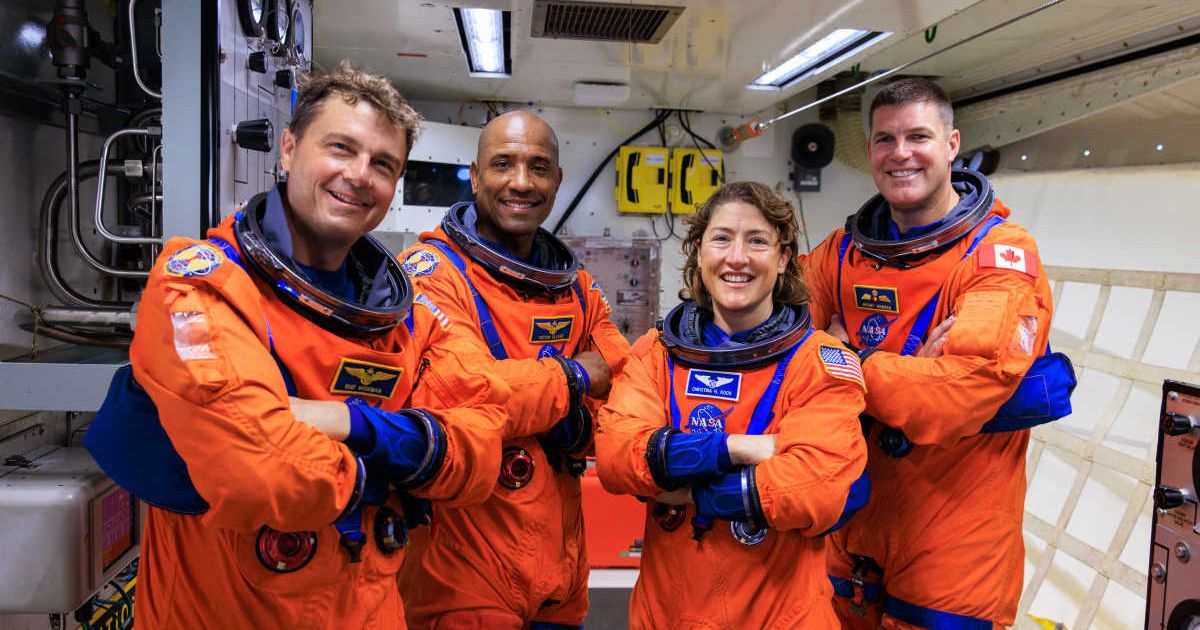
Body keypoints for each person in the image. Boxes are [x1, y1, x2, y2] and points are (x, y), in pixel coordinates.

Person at [115, 63, 508, 628]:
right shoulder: (202, 284)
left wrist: (353, 425)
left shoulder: (407, 313)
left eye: (382, 165)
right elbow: (259, 471)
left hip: (371, 607)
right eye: (341, 148)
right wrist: (402, 466)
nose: (358, 175)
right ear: (289, 148)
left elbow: (480, 451)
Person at [803, 77, 1058, 629]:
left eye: (917, 136)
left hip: (955, 537)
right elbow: (778, 349)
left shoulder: (1000, 255)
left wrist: (850, 360)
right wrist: (914, 371)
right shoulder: (840, 254)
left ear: (951, 144)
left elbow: (955, 395)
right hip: (850, 524)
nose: (900, 154)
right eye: (883, 139)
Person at [593, 181, 869, 629]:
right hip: (667, 614)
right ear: (699, 252)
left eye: (757, 240)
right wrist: (741, 449)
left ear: (782, 259)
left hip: (781, 616)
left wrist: (690, 491)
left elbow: (818, 485)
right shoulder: (656, 353)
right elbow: (616, 456)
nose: (736, 257)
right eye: (721, 238)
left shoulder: (819, 361)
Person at [396, 111, 631, 629]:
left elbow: (624, 382)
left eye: (538, 167)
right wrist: (575, 379)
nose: (521, 182)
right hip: (462, 570)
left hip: (563, 575)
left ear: (557, 182)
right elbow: (468, 397)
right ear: (476, 175)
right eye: (503, 164)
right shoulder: (432, 276)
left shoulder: (577, 288)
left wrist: (575, 418)